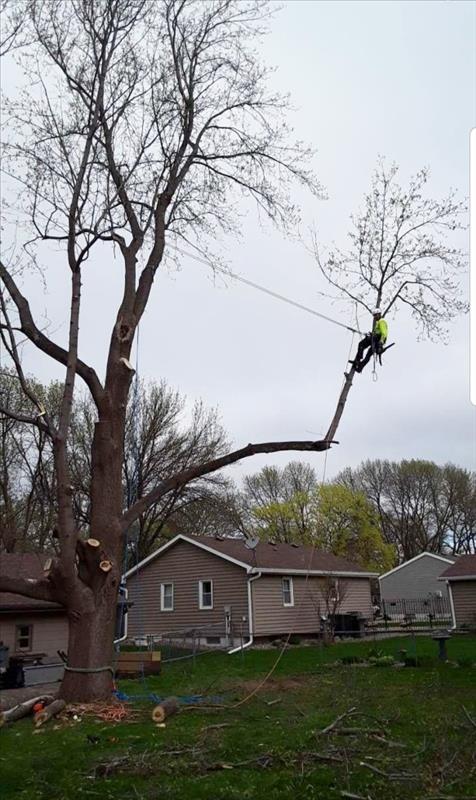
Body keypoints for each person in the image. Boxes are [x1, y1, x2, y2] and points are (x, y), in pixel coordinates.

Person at [350, 309, 388, 373]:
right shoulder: (378, 322)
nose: (374, 317)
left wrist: (381, 342)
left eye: (376, 315)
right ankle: (360, 368)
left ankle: (358, 360)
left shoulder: (382, 321)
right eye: (374, 315)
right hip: (376, 339)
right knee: (368, 354)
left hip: (377, 339)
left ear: (379, 314)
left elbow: (384, 333)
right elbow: (378, 332)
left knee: (361, 344)